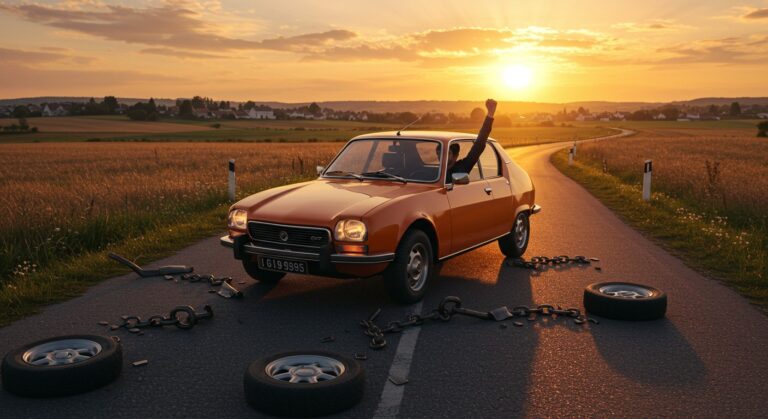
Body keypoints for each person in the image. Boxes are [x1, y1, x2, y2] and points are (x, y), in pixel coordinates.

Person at [446, 98, 496, 183]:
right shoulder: (434, 169)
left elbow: (479, 145)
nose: (441, 156)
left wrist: (490, 114)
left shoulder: (463, 166)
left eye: (447, 153)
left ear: (456, 156)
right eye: (438, 152)